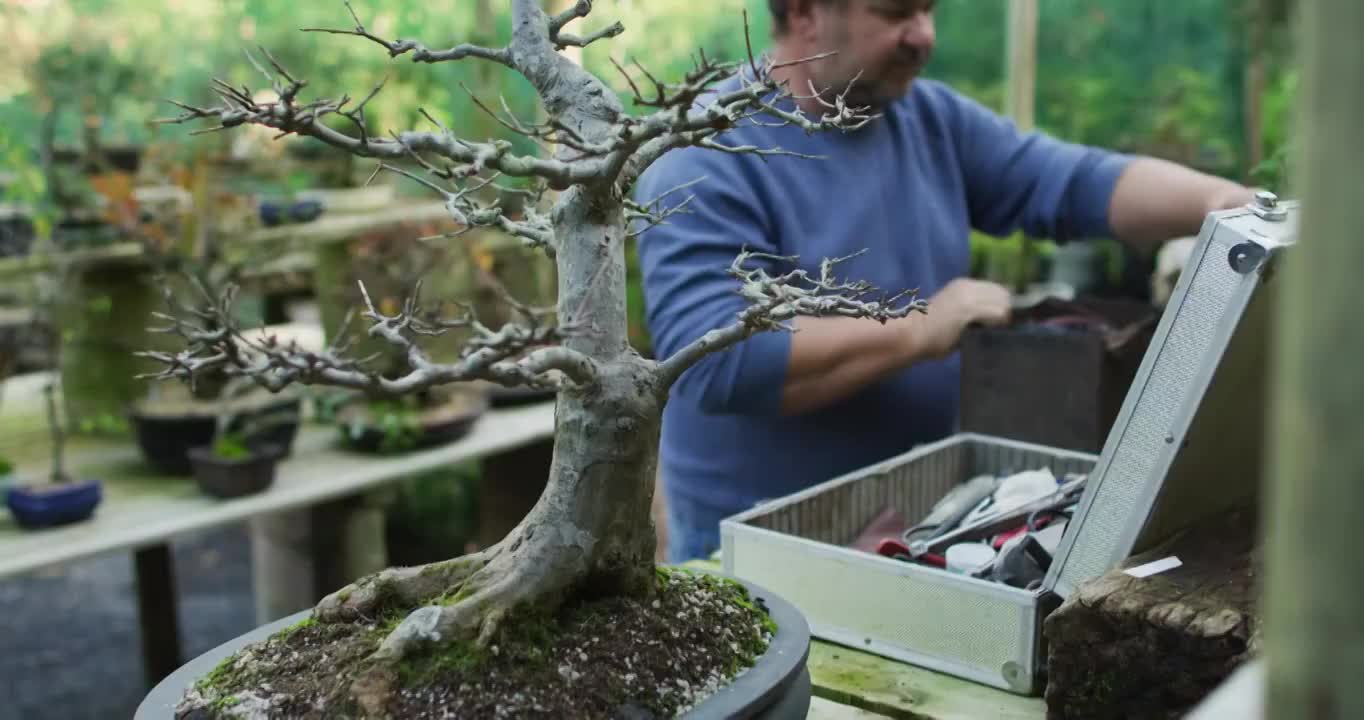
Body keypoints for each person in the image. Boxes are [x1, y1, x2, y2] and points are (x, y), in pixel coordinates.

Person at [632, 0, 1255, 563]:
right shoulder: (708, 155)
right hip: (760, 555)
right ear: (805, 13)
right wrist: (920, 330)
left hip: (916, 525)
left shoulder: (926, 120)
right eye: (896, 11)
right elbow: (713, 361)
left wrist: (1230, 203)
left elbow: (1071, 182)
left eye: (929, 10)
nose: (924, 35)